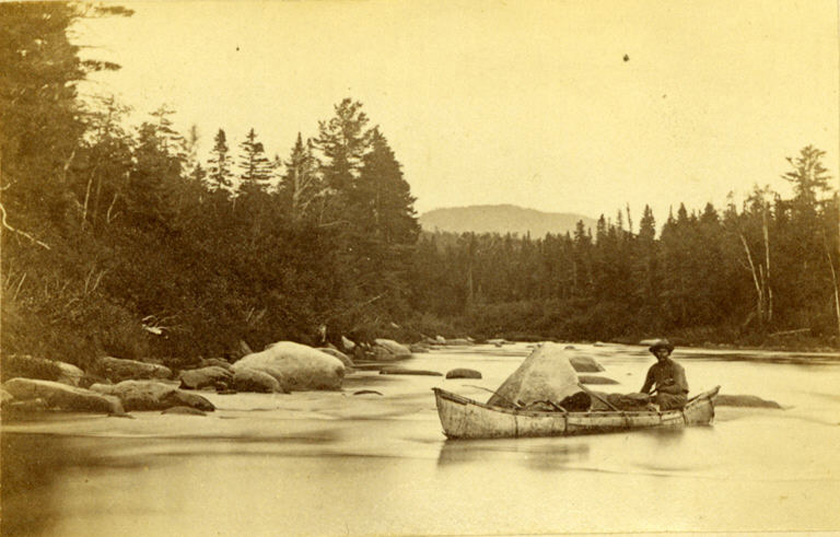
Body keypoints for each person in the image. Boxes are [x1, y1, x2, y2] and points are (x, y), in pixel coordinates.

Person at [641, 339, 689, 410]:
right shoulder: (653, 369)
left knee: (662, 398)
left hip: (679, 398)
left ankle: (662, 417)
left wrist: (662, 389)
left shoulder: (676, 367)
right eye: (659, 352)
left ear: (668, 353)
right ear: (655, 353)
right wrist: (640, 398)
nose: (661, 355)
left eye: (664, 352)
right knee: (646, 400)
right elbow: (646, 387)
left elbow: (678, 388)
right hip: (662, 397)